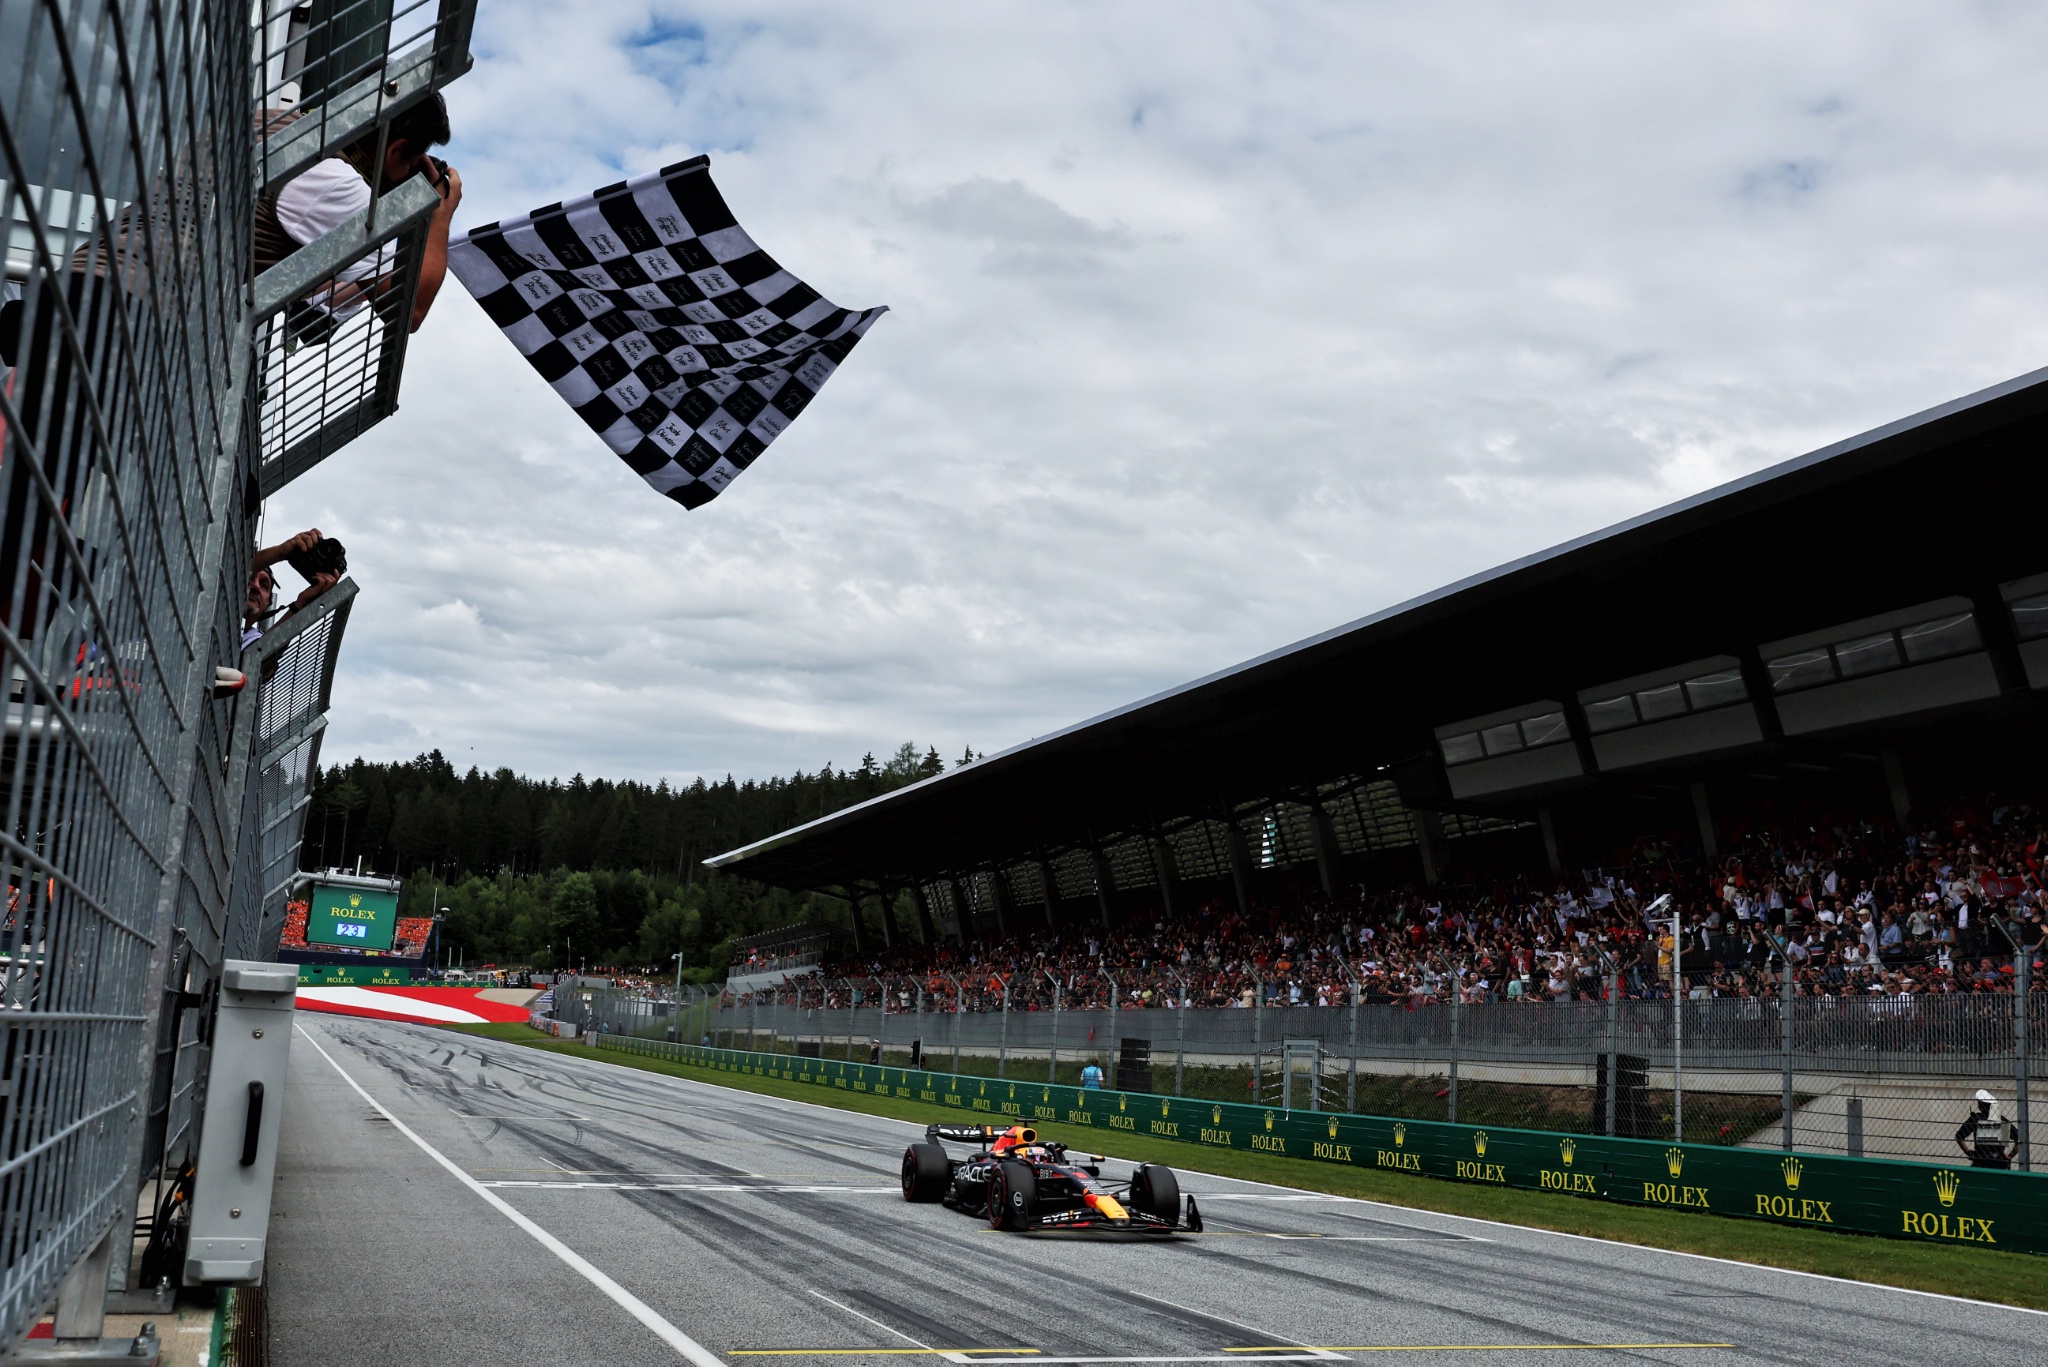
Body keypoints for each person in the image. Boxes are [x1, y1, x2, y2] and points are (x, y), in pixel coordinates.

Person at [255, 92, 462, 335]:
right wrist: (441, 213)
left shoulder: (288, 124)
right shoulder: (341, 185)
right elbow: (409, 310)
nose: (408, 173)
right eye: (411, 162)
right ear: (396, 149)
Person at [242, 527, 340, 648]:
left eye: (264, 585)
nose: (256, 586)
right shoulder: (215, 599)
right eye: (250, 579)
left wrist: (302, 604)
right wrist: (280, 552)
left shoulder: (253, 639)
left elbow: (260, 658)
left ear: (268, 604)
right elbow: (233, 573)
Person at [1955, 1089, 2017, 1169]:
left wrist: (1969, 1153)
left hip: (1980, 1161)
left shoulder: (1976, 1119)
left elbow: (1959, 1137)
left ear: (1980, 1104)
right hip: (1999, 1162)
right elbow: (2018, 1141)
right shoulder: (2003, 1120)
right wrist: (2009, 1156)